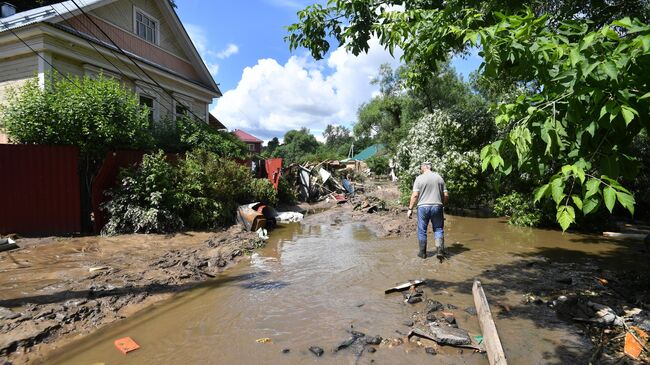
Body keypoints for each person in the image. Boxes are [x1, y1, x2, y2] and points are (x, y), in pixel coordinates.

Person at [407, 162, 448, 259]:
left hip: (423, 207)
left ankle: (422, 253)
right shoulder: (439, 178)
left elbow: (415, 195)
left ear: (424, 167)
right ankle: (440, 251)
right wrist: (442, 205)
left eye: (421, 167)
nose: (420, 169)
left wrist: (410, 209)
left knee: (422, 231)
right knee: (438, 229)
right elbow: (446, 195)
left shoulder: (419, 178)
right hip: (437, 206)